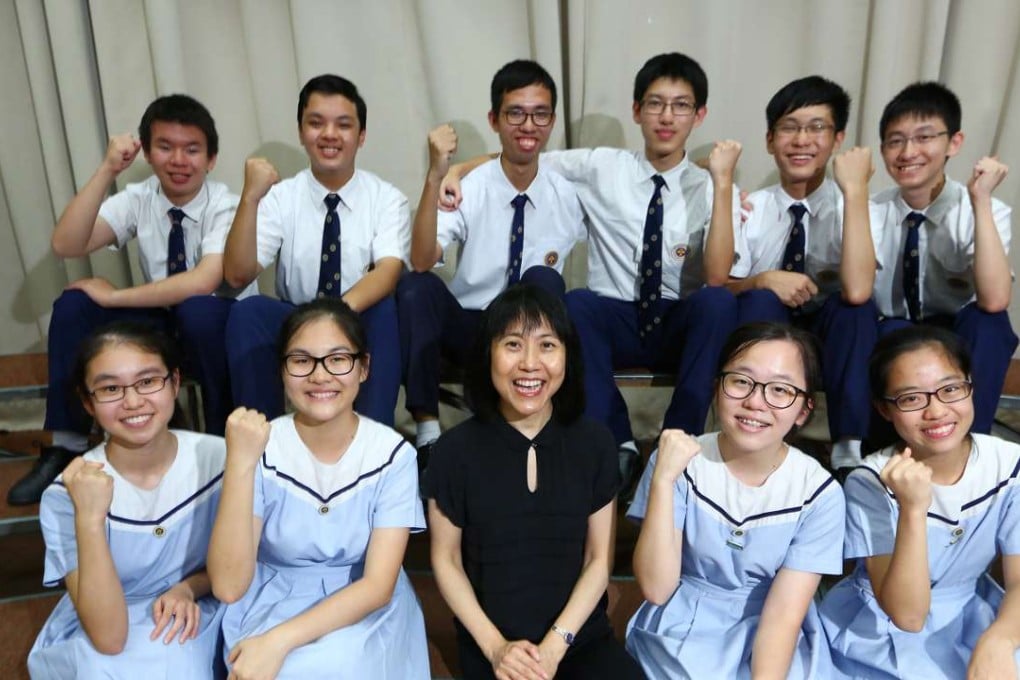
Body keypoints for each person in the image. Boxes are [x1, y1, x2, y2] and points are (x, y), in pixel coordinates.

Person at [443, 52, 744, 493]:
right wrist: (457, 168)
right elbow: (523, 153)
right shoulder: (602, 166)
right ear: (637, 110)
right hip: (615, 315)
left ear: (699, 115)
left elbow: (717, 276)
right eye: (655, 104)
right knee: (577, 302)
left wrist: (722, 183)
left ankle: (676, 442)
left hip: (677, 321)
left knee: (716, 302)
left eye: (681, 106)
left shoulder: (714, 185)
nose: (667, 117)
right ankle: (617, 443)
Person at [9, 94, 250, 506]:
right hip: (163, 324)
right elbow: (67, 244)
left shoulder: (226, 205)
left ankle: (221, 446)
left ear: (211, 159)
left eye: (192, 150)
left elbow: (204, 281)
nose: (178, 160)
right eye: (165, 147)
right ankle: (66, 446)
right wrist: (108, 169)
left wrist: (115, 296)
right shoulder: (141, 197)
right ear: (149, 153)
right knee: (75, 304)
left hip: (217, 328)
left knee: (198, 309)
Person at [426, 284, 644, 679]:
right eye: (513, 345)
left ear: (567, 356)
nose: (530, 364)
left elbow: (598, 560)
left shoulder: (595, 443)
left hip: (577, 640)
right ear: (488, 353)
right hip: (493, 648)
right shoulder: (453, 451)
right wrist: (496, 648)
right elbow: (446, 560)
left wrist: (555, 647)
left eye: (547, 346)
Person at [208, 298, 429, 679]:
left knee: (335, 664)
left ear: (364, 368)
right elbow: (228, 586)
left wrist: (280, 640)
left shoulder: (392, 455)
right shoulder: (258, 444)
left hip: (360, 604)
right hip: (268, 597)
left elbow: (377, 586)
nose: (320, 375)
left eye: (338, 359)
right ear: (282, 369)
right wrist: (241, 463)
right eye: (301, 360)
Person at [626, 322, 845, 679]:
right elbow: (656, 587)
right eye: (741, 381)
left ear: (804, 410)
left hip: (775, 633)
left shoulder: (819, 493)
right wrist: (664, 479)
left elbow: (783, 616)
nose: (755, 402)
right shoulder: (678, 460)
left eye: (780, 389)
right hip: (680, 627)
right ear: (717, 388)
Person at [397, 59, 585, 469]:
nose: (528, 125)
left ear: (552, 121)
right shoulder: (470, 186)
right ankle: (428, 433)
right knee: (415, 286)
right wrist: (437, 176)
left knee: (544, 281)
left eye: (539, 114)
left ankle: (539, 430)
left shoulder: (569, 191)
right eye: (515, 113)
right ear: (494, 119)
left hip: (530, 335)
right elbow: (422, 258)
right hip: (471, 324)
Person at [820, 325, 1020, 679]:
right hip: (881, 631)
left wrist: (1000, 639)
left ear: (970, 386)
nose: (936, 411)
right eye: (911, 398)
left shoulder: (1008, 464)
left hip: (971, 615)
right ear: (884, 409)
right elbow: (908, 616)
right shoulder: (870, 481)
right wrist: (912, 509)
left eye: (950, 389)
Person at [28, 322, 227, 678]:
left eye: (148, 381)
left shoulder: (222, 459)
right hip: (107, 619)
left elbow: (246, 562)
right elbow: (109, 638)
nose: (133, 402)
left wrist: (188, 588)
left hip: (203, 606)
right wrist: (90, 518)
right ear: (88, 401)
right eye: (110, 388)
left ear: (174, 383)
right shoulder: (66, 493)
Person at [222, 74, 408, 426]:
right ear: (301, 131)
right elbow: (236, 274)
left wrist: (332, 316)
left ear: (361, 136)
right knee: (249, 312)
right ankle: (260, 439)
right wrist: (250, 198)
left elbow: (388, 271)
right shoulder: (281, 197)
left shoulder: (386, 199)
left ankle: (374, 438)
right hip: (295, 314)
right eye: (316, 123)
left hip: (356, 312)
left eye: (343, 125)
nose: (329, 135)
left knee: (384, 308)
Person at [727, 76, 877, 477]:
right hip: (769, 331)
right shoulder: (751, 208)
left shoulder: (855, 206)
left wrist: (855, 193)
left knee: (857, 310)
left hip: (832, 338)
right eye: (789, 128)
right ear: (769, 140)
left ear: (838, 138)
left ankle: (848, 449)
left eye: (816, 128)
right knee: (757, 298)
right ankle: (758, 434)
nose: (801, 140)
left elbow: (859, 290)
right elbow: (720, 285)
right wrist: (761, 280)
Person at [868, 81, 1015, 441]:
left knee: (990, 323)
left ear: (954, 142)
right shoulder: (870, 211)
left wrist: (980, 199)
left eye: (924, 137)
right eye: (895, 140)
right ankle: (879, 449)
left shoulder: (985, 208)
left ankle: (972, 444)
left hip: (958, 328)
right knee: (878, 328)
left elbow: (995, 300)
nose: (908, 152)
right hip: (893, 326)